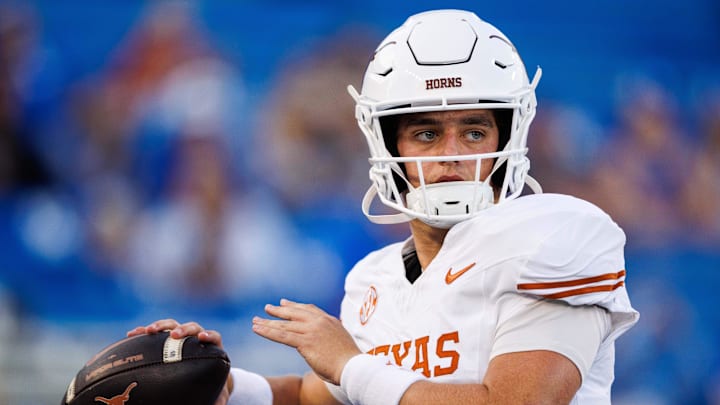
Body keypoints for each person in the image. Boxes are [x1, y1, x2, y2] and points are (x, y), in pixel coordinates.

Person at [129, 9, 639, 404]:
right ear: (388, 149)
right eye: (426, 133)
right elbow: (320, 396)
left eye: (475, 131)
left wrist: (350, 364)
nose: (453, 156)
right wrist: (221, 385)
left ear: (510, 138)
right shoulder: (376, 281)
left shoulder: (558, 237)